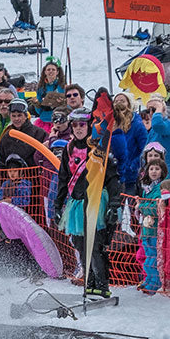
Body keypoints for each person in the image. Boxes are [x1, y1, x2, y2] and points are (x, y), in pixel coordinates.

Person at [53, 108, 122, 297]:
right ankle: (89, 282)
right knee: (81, 245)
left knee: (96, 246)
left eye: (82, 124)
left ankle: (102, 284)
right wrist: (57, 205)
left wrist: (114, 205)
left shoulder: (99, 148)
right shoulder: (68, 148)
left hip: (96, 203)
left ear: (89, 125)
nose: (78, 128)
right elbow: (63, 178)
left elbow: (112, 177)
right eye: (74, 124)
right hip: (76, 204)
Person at [137, 157, 167, 294]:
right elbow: (145, 205)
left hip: (155, 228)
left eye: (157, 169)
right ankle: (148, 279)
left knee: (154, 257)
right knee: (148, 255)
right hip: (146, 228)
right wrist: (142, 206)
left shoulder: (160, 188)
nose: (154, 171)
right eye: (151, 169)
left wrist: (141, 206)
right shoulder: (146, 188)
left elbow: (156, 207)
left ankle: (155, 283)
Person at [110, 93, 147, 195]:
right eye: (116, 101)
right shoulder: (110, 123)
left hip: (129, 175)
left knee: (128, 203)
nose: (118, 103)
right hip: (112, 174)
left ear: (129, 105)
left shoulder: (137, 125)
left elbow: (143, 148)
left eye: (122, 101)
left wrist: (132, 166)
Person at [0, 98, 46, 168]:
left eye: (19, 115)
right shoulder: (6, 137)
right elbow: (1, 163)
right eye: (13, 116)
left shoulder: (39, 134)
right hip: (12, 177)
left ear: (26, 116)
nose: (16, 119)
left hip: (34, 176)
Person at [145, 95, 170, 178]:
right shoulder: (153, 130)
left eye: (153, 109)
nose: (150, 113)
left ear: (162, 110)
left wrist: (159, 108)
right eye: (147, 110)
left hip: (167, 176)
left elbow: (157, 124)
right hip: (154, 176)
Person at [33, 58, 64, 130]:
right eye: (48, 69)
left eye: (53, 70)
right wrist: (37, 104)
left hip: (59, 121)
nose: (51, 71)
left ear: (57, 72)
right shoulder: (41, 88)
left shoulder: (62, 87)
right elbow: (39, 109)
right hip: (44, 121)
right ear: (45, 72)